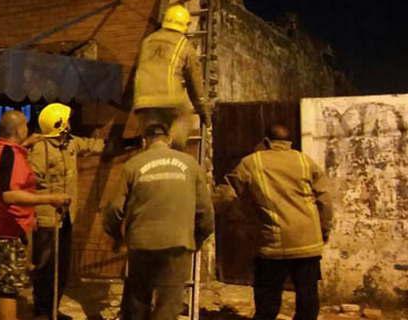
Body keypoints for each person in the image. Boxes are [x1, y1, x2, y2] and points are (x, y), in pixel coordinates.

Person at [103, 123, 214, 320]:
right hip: (178, 243)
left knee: (138, 301)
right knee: (168, 304)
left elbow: (114, 209)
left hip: (141, 243)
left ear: (145, 141)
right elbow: (205, 211)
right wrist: (197, 238)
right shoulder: (190, 164)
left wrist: (116, 237)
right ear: (169, 139)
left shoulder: (133, 165)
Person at [224, 124, 333, 320]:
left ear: (266, 141)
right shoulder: (304, 160)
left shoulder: (251, 162)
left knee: (268, 299)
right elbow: (324, 199)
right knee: (307, 295)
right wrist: (324, 230)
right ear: (289, 142)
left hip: (273, 245)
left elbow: (227, 192)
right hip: (308, 242)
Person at [0, 109, 71, 320]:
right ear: (19, 129)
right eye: (25, 126)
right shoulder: (13, 156)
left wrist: (24, 144)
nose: (27, 129)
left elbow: (3, 166)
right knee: (10, 288)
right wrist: (50, 198)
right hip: (8, 228)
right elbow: (10, 195)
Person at [28, 103, 105, 320]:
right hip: (47, 219)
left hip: (66, 217)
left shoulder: (70, 144)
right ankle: (42, 312)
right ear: (60, 125)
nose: (70, 123)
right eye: (67, 120)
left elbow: (93, 145)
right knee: (45, 269)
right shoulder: (40, 149)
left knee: (61, 269)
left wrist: (126, 144)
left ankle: (53, 308)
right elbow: (32, 181)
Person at [133, 4, 211, 149]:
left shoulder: (147, 40)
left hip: (141, 102)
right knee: (184, 118)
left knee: (151, 141)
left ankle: (151, 156)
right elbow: (194, 83)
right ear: (185, 25)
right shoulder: (184, 45)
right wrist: (203, 111)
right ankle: (174, 154)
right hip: (169, 100)